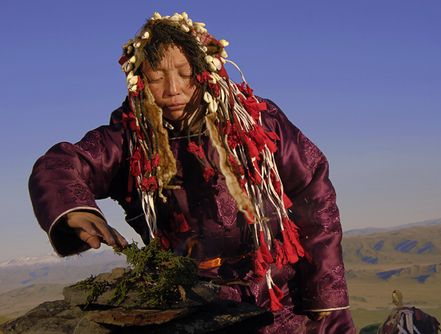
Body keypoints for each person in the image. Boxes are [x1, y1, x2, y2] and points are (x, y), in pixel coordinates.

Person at [29, 11, 356, 333]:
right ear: (140, 80)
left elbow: (314, 192)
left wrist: (323, 292)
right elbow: (61, 165)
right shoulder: (130, 137)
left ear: (205, 70)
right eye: (156, 77)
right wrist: (73, 209)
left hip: (287, 300)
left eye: (185, 73)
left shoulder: (257, 122)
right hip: (194, 303)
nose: (172, 89)